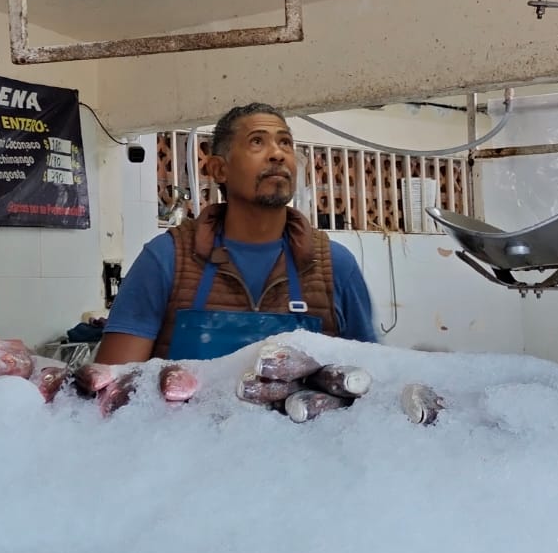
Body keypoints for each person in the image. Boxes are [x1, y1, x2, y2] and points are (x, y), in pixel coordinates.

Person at [95, 103, 377, 363]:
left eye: (285, 143)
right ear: (219, 169)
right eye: (257, 141)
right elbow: (116, 388)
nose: (277, 154)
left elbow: (369, 377)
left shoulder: (334, 265)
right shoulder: (166, 259)